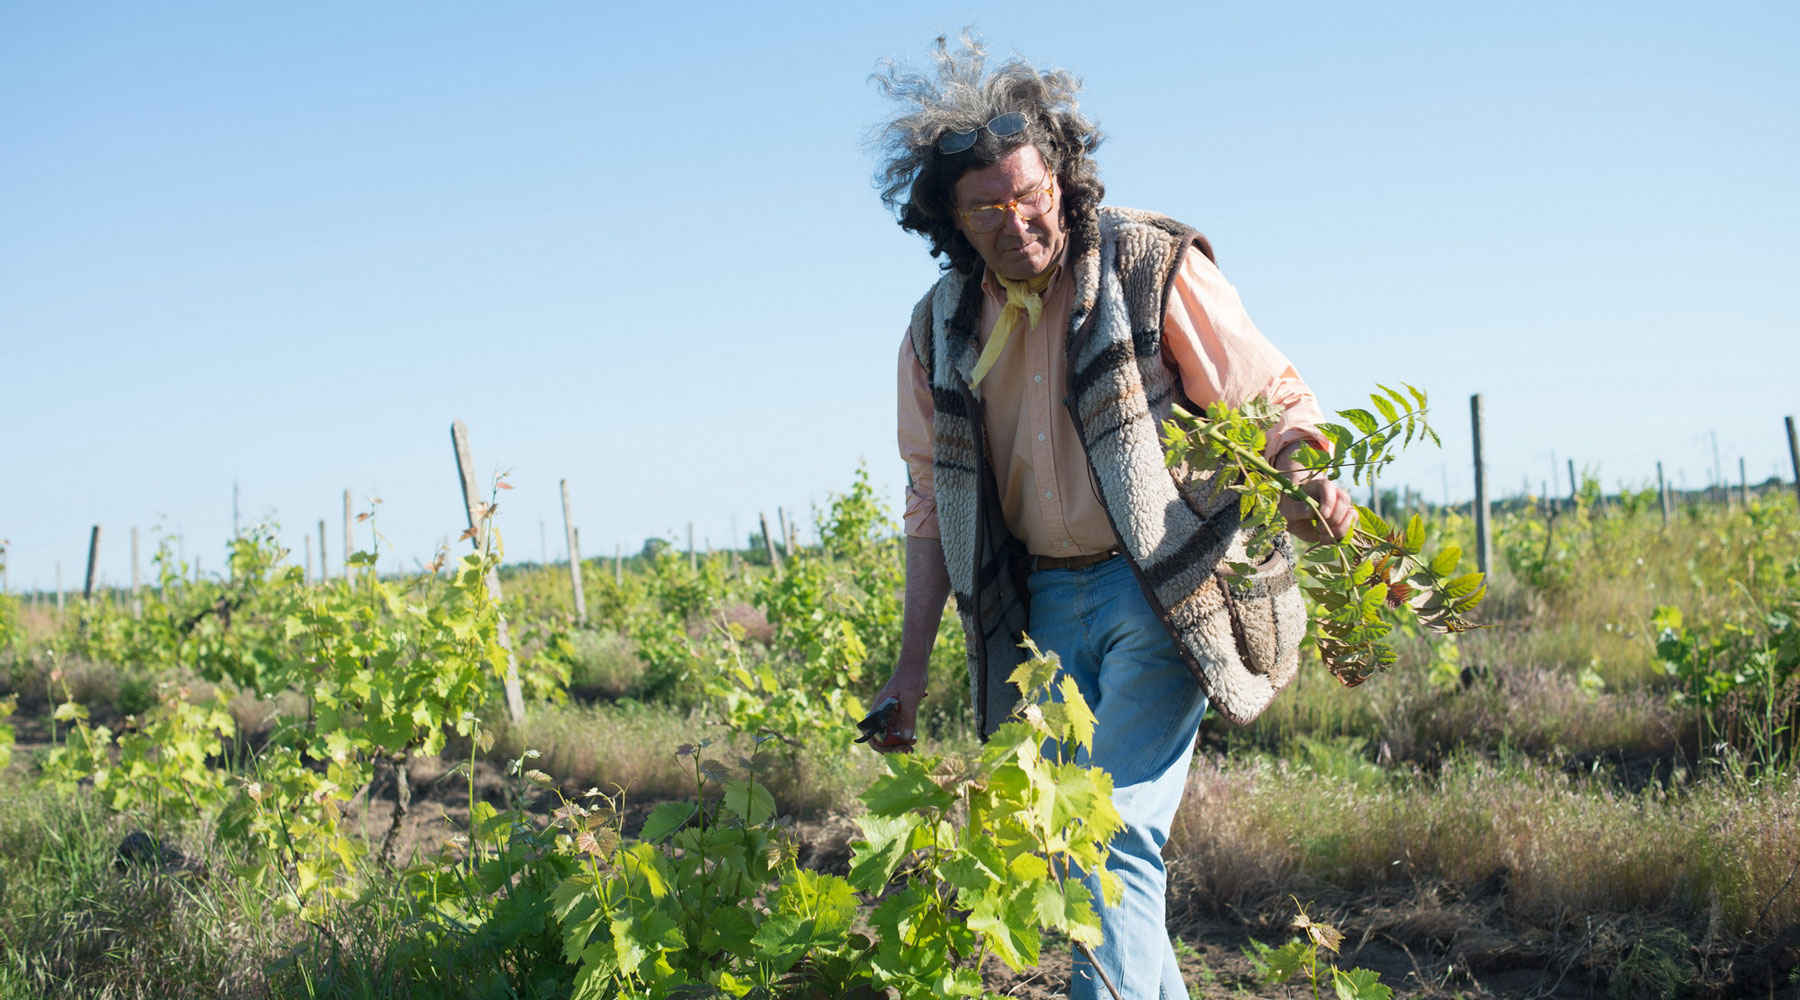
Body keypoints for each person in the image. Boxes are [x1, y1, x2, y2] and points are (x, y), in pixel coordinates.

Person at [864, 37, 1356, 999]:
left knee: (1105, 832)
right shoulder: (938, 329)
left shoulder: (1145, 263)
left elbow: (1273, 400)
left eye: (1031, 193)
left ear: (1061, 176)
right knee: (1075, 842)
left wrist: (1306, 476)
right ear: (952, 222)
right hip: (1039, 614)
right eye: (988, 209)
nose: (1017, 221)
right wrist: (909, 672)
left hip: (1162, 588)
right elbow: (931, 508)